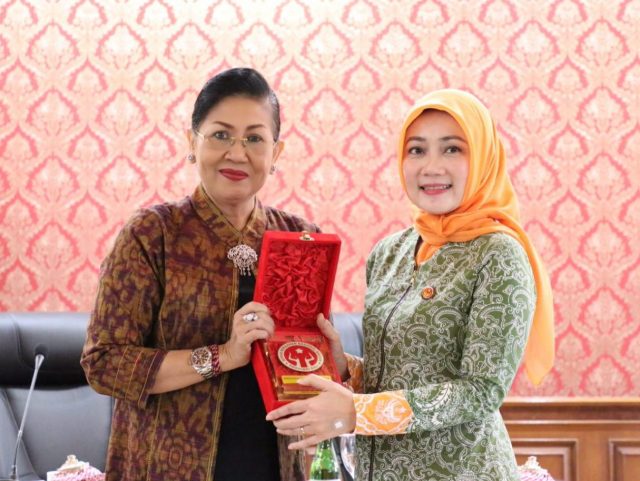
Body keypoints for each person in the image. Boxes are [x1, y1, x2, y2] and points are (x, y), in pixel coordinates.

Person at [267, 89, 555, 481]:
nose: (431, 167)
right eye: (416, 150)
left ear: (483, 158)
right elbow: (403, 374)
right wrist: (346, 366)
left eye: (452, 149)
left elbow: (480, 390)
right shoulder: (390, 252)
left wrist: (357, 412)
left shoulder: (498, 254)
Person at [81, 67, 317, 481]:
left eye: (255, 139)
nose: (237, 153)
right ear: (192, 142)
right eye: (221, 135)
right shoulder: (153, 234)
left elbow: (306, 361)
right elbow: (105, 363)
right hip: (164, 468)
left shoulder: (300, 238)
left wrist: (331, 361)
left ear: (276, 153)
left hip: (274, 465)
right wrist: (223, 355)